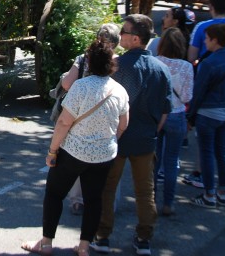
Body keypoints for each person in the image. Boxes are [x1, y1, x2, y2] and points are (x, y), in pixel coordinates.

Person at [22, 40, 129, 256]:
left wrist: (52, 151)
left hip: (73, 153)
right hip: (103, 156)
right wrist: (107, 141)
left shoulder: (81, 87)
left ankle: (46, 243)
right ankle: (84, 247)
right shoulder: (120, 91)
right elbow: (123, 124)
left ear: (89, 62)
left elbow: (63, 122)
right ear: (111, 64)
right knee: (93, 199)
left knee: (54, 194)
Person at [91, 14, 172, 256]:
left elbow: (105, 103)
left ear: (135, 38)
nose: (120, 35)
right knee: (146, 192)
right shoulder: (162, 69)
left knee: (107, 188)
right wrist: (151, 132)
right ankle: (144, 239)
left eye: (124, 32)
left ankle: (103, 236)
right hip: (146, 139)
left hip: (116, 138)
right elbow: (166, 111)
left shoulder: (118, 66)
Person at [58, 23, 122, 215]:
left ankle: (77, 201)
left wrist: (62, 79)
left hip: (81, 115)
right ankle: (106, 203)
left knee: (78, 157)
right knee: (107, 162)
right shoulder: (120, 62)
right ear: (117, 42)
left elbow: (68, 84)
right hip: (108, 117)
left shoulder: (83, 59)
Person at [188, 23, 225, 208]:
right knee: (222, 152)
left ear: (214, 40)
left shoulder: (209, 63)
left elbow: (199, 90)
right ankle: (223, 191)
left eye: (207, 38)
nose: (205, 41)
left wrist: (191, 115)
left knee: (207, 153)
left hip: (208, 112)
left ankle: (209, 194)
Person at [153, 27, 193, 216]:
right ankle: (168, 202)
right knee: (171, 161)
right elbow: (186, 97)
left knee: (154, 158)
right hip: (176, 114)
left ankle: (150, 199)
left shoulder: (155, 62)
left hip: (157, 114)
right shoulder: (186, 67)